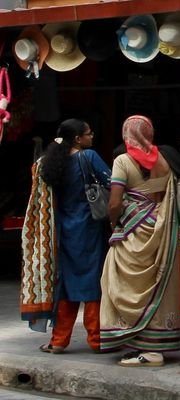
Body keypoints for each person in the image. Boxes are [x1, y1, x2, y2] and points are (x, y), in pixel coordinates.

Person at [100, 115, 180, 366]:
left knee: (119, 283)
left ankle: (145, 349)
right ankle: (154, 344)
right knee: (159, 283)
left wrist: (113, 224)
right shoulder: (165, 160)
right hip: (160, 228)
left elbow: (114, 202)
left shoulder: (122, 161)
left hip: (133, 232)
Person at [31, 119, 109, 354]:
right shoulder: (89, 157)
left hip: (64, 229)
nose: (92, 136)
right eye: (88, 133)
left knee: (66, 284)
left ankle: (59, 340)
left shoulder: (51, 162)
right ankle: (97, 340)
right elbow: (112, 181)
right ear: (77, 138)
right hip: (89, 228)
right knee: (93, 282)